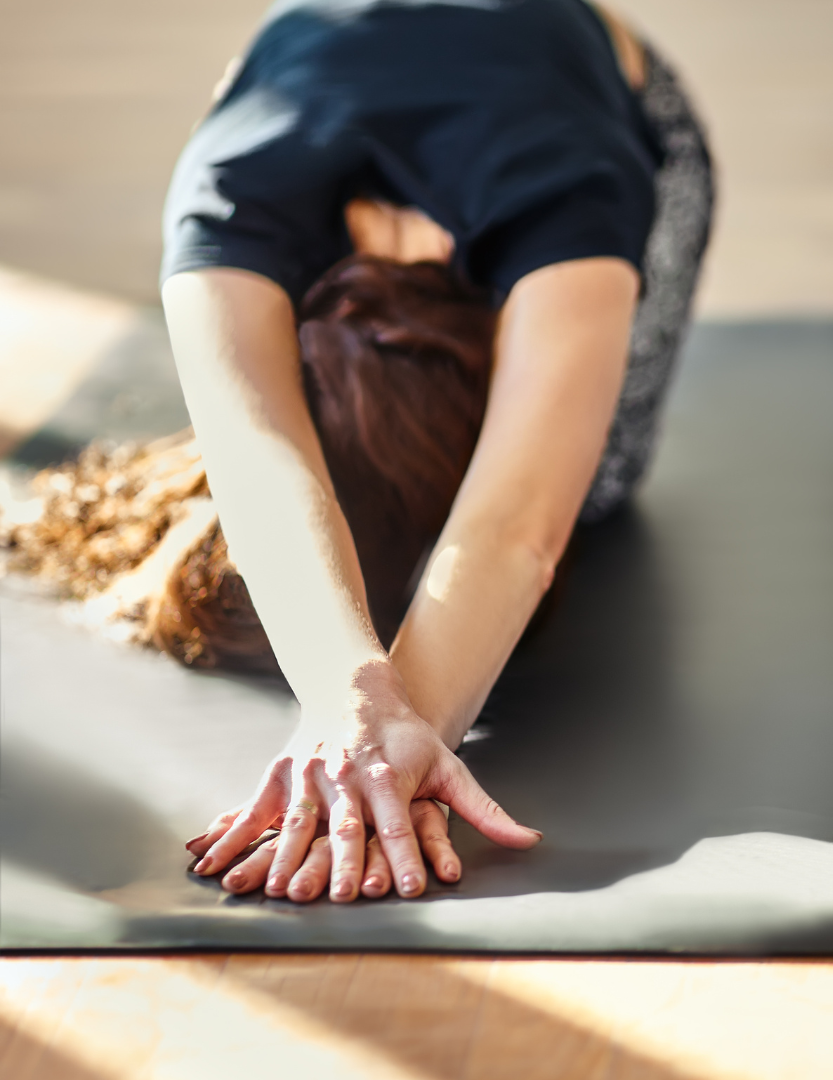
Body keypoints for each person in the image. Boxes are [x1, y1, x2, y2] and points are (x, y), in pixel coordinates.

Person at [133, 0, 711, 903]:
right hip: (340, 60)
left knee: (594, 479)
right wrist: (353, 703)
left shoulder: (570, 203)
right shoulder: (225, 205)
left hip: (585, 76)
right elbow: (257, 458)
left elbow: (517, 527)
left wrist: (402, 743)